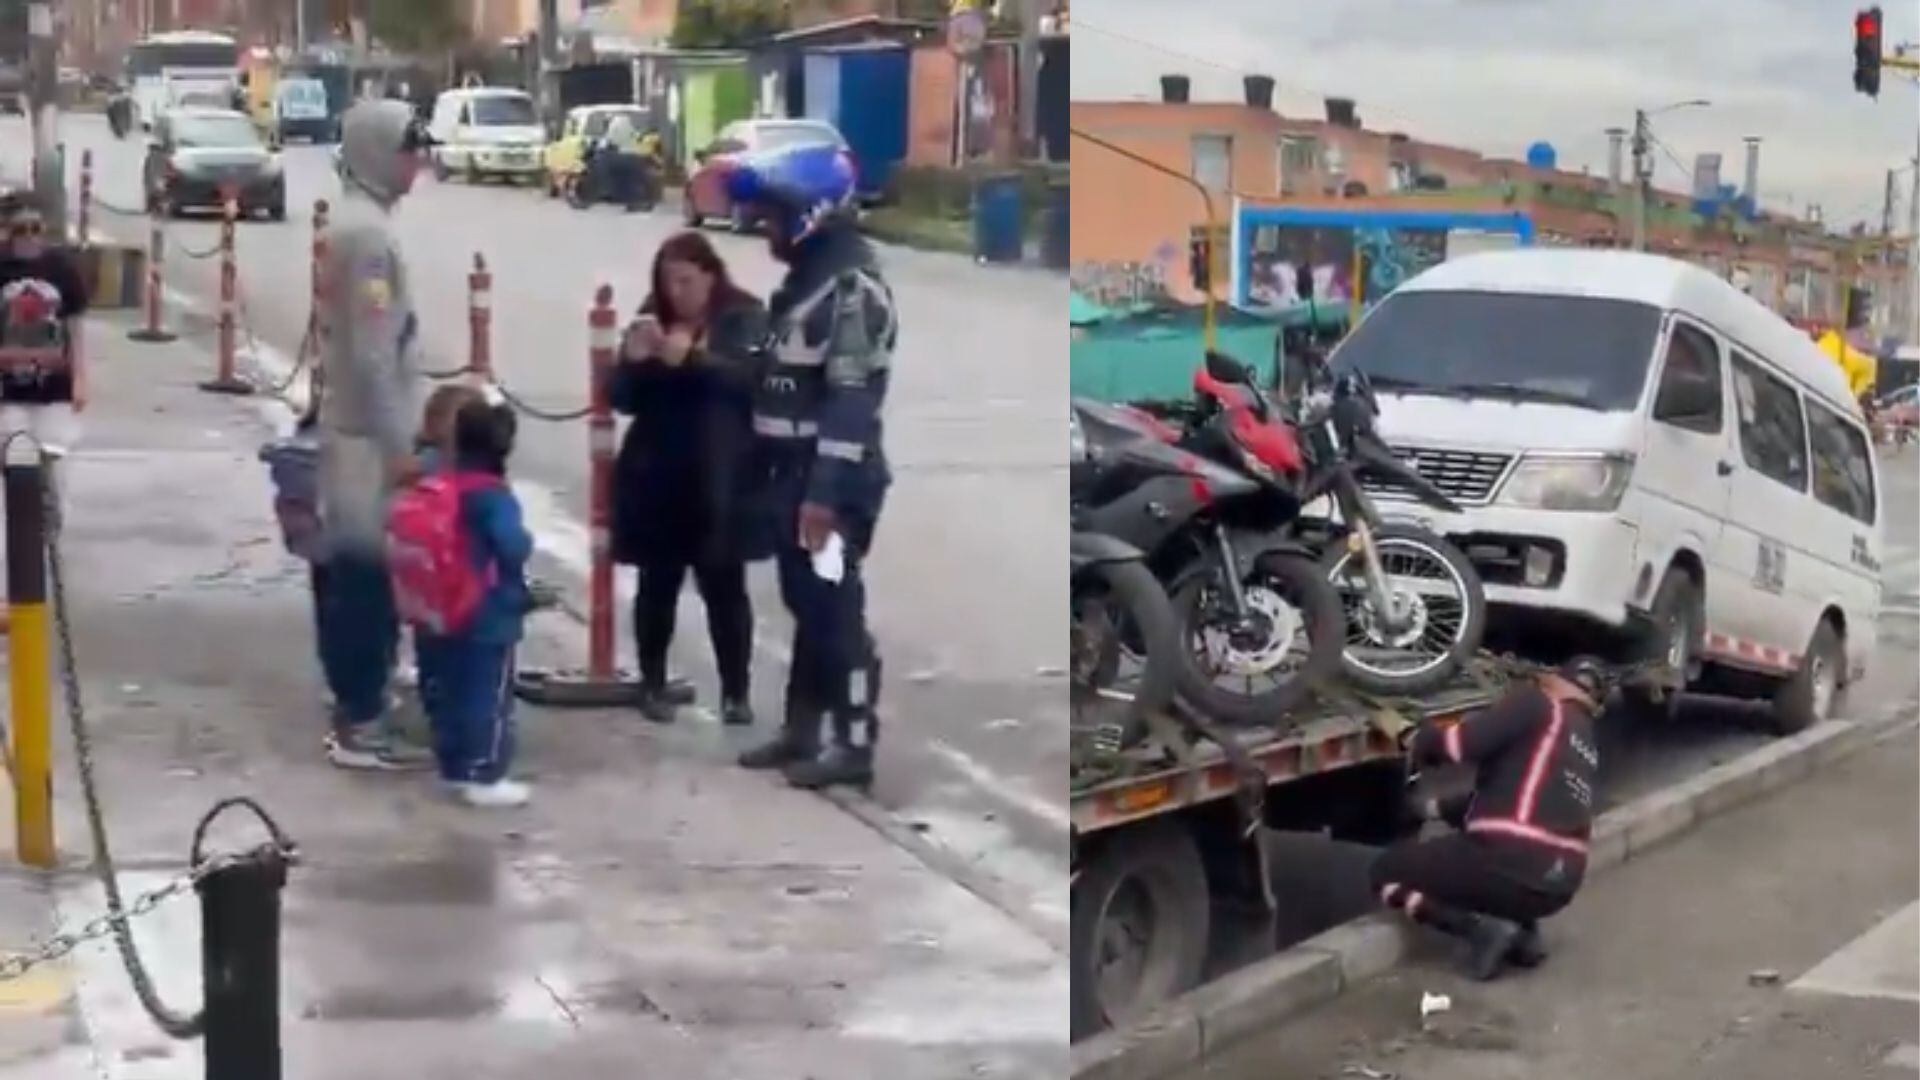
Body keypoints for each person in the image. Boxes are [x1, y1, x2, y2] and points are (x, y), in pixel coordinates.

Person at [723, 144, 897, 790]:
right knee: (809, 606)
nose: (763, 225)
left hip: (832, 485)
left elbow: (851, 404)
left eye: (773, 213)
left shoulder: (852, 291)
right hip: (790, 479)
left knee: (836, 612)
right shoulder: (806, 281)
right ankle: (803, 729)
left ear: (810, 212)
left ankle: (854, 743)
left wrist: (821, 500)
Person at [315, 98, 436, 770]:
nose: (416, 163)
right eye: (407, 149)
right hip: (365, 435)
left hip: (358, 427)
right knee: (362, 580)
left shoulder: (359, 222)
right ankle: (360, 719)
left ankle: (363, 705)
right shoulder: (367, 236)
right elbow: (373, 351)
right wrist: (400, 449)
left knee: (361, 578)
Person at [1372, 656, 1606, 981]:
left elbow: (1459, 747)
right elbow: (1511, 800)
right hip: (1560, 884)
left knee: (1386, 871)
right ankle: (1523, 936)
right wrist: (1428, 809)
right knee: (1498, 862)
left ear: (1557, 681)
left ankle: (1480, 929)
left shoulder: (1538, 705)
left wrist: (1412, 734)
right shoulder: (1585, 742)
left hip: (1508, 862)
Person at [613, 232, 766, 725]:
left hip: (718, 472)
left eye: (686, 280)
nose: (676, 292)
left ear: (710, 274)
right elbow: (621, 397)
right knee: (657, 584)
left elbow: (750, 381)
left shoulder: (742, 315)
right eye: (667, 282)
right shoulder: (652, 315)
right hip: (658, 470)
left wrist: (694, 359)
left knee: (724, 587)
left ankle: (735, 692)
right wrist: (634, 363)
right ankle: (651, 681)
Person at [414, 398, 535, 808]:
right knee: (488, 693)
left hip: (438, 607)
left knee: (445, 689)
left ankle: (451, 765)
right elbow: (512, 545)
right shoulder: (493, 495)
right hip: (487, 611)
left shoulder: (440, 483)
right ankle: (485, 772)